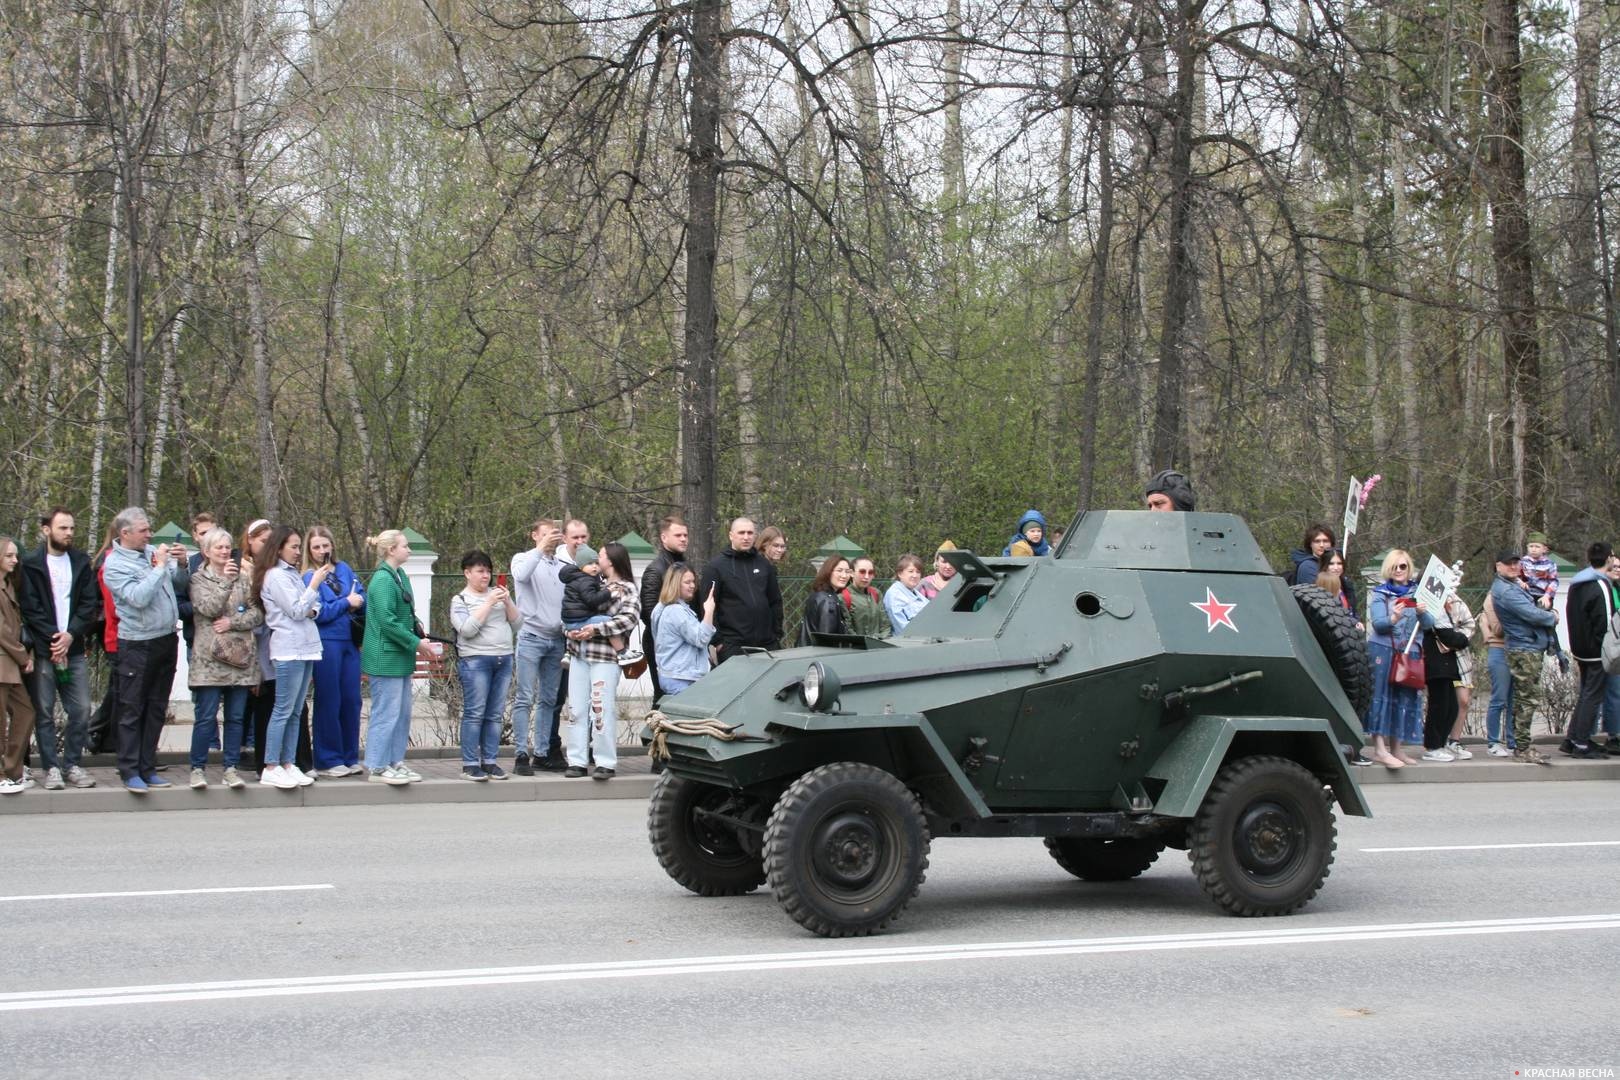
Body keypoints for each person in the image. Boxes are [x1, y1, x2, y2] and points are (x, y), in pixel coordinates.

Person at [101, 507, 190, 794]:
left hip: (166, 639)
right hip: (137, 645)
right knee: (132, 709)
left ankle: (147, 766)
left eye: (149, 529)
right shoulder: (114, 565)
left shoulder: (152, 552)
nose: (149, 534)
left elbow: (177, 585)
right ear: (125, 533)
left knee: (156, 708)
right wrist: (159, 567)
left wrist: (182, 565)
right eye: (143, 530)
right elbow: (138, 598)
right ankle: (129, 770)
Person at [17, 507, 100, 789]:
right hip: (44, 651)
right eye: (63, 528)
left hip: (73, 649)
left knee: (81, 709)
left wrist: (70, 635)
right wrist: (54, 638)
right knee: (44, 710)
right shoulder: (31, 564)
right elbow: (30, 606)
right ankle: (51, 767)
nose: (69, 533)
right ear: (46, 530)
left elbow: (89, 604)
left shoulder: (80, 562)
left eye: (72, 528)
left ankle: (73, 764)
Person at [252, 526, 327, 789]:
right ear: (279, 547)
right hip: (288, 648)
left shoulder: (293, 574)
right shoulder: (275, 576)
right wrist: (314, 585)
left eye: (298, 546)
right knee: (282, 710)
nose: (298, 552)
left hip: (307, 646)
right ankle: (271, 765)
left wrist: (309, 602)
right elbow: (297, 610)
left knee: (296, 711)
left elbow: (314, 608)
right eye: (294, 546)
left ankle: (288, 762)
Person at [186, 527, 261, 789]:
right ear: (206, 552)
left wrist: (233, 622)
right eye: (219, 547)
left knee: (236, 717)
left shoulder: (244, 579)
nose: (225, 551)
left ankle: (230, 767)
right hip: (209, 661)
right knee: (206, 717)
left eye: (228, 547)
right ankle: (198, 768)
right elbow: (208, 608)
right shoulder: (198, 580)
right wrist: (226, 583)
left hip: (239, 660)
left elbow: (257, 613)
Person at [362, 530, 435, 785]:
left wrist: (417, 630)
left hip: (400, 656)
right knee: (386, 713)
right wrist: (416, 643)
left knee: (401, 713)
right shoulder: (382, 581)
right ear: (391, 549)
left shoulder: (400, 576)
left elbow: (405, 613)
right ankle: (377, 765)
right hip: (386, 657)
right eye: (405, 546)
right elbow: (387, 621)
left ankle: (394, 761)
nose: (409, 550)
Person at [562, 542, 639, 779]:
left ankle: (605, 761)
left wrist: (596, 629)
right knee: (575, 709)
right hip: (579, 654)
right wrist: (570, 632)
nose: (597, 559)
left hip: (604, 658)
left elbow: (629, 619)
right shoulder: (591, 583)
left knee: (601, 709)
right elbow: (569, 613)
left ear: (612, 560)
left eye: (601, 556)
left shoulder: (626, 589)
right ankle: (577, 760)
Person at [1361, 549, 1433, 769]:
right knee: (1381, 696)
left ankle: (1397, 748)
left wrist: (1422, 612)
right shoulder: (1381, 593)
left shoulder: (1417, 592)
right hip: (1384, 650)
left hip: (1409, 652)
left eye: (1403, 566)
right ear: (1388, 569)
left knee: (1403, 697)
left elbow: (1429, 625)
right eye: (1395, 566)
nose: (1399, 570)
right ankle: (1380, 749)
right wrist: (1394, 617)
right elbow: (1379, 624)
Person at [451, 549, 519, 781]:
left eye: (488, 571)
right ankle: (470, 764)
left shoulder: (498, 595)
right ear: (467, 573)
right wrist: (489, 603)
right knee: (475, 713)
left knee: (495, 714)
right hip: (475, 660)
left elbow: (518, 623)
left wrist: (507, 600)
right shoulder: (460, 600)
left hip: (504, 658)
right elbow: (467, 630)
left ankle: (490, 761)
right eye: (480, 571)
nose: (485, 576)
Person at [304, 526, 365, 777]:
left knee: (352, 699)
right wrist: (345, 603)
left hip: (350, 640)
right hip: (326, 641)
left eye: (325, 545)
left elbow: (361, 597)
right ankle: (328, 758)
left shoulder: (344, 569)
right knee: (330, 699)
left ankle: (349, 755)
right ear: (310, 550)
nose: (322, 551)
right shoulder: (310, 577)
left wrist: (353, 603)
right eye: (316, 547)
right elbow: (320, 613)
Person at [1490, 547, 1558, 765]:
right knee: (1526, 698)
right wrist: (1552, 616)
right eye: (1508, 563)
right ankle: (1522, 747)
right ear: (1497, 566)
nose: (1513, 566)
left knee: (1522, 698)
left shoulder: (1511, 585)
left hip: (1526, 645)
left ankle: (1521, 744)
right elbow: (1531, 614)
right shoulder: (1506, 590)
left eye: (1516, 563)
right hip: (1524, 648)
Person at [509, 518, 566, 774]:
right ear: (534, 535)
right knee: (525, 697)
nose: (551, 539)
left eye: (554, 534)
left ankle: (542, 753)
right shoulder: (522, 558)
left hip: (556, 639)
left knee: (549, 699)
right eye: (545, 535)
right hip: (531, 637)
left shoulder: (562, 565)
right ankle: (521, 753)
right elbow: (522, 576)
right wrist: (541, 547)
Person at [699, 517, 783, 662]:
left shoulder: (764, 565)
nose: (746, 537)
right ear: (731, 535)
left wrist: (776, 634)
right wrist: (718, 642)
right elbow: (707, 606)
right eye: (741, 533)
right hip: (733, 647)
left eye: (750, 533)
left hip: (767, 646)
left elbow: (775, 601)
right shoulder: (716, 567)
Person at [1563, 541, 1614, 759]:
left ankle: (1573, 738)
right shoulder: (1600, 585)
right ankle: (1581, 743)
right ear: (1609, 558)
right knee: (1593, 696)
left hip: (1580, 648)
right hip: (1596, 650)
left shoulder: (1578, 583)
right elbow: (1605, 620)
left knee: (1585, 694)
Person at [0, 536, 39, 796]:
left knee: (25, 712)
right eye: (9, 555)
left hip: (9, 663)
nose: (15, 560)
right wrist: (24, 657)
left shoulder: (7, 584)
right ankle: (3, 775)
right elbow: (1, 631)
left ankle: (12, 771)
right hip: (5, 661)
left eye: (15, 555)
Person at [1419, 595, 1475, 763]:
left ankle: (1441, 743)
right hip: (1436, 662)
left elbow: (1466, 625)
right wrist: (1461, 640)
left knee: (1450, 706)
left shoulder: (1450, 602)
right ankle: (1432, 746)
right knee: (1439, 705)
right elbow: (1445, 633)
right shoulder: (1429, 603)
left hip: (1447, 663)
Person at [639, 515, 689, 700]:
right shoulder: (655, 569)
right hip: (661, 644)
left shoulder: (685, 566)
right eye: (678, 535)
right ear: (664, 537)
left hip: (686, 643)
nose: (683, 539)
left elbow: (696, 607)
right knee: (663, 698)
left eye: (685, 535)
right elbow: (648, 612)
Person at [651, 564, 715, 695]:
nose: (692, 586)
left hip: (671, 675)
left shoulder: (661, 608)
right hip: (681, 678)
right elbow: (701, 638)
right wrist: (709, 611)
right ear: (675, 584)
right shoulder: (676, 611)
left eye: (693, 581)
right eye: (687, 582)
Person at [1478, 589, 1516, 756]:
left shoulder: (1521, 591)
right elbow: (1498, 628)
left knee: (1514, 700)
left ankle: (1512, 741)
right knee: (1499, 698)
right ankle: (1493, 743)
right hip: (1499, 649)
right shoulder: (1494, 596)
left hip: (1518, 650)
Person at [559, 559, 624, 649]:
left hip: (569, 622)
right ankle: (621, 651)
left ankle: (568, 654)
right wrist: (608, 591)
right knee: (609, 621)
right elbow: (592, 599)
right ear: (581, 567)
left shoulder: (574, 580)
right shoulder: (586, 581)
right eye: (589, 563)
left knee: (582, 636)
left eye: (597, 563)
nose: (594, 566)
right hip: (579, 620)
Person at [799, 557, 852, 644]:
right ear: (828, 572)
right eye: (839, 570)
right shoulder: (828, 601)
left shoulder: (819, 594)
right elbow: (827, 639)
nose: (844, 575)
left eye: (847, 571)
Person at [844, 557, 889, 637]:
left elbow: (885, 625)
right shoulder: (843, 597)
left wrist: (880, 639)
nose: (866, 576)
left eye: (870, 572)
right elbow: (848, 630)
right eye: (862, 572)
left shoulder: (876, 594)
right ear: (851, 573)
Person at [884, 554, 928, 635]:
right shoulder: (894, 595)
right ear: (900, 573)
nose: (915, 575)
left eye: (918, 572)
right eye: (910, 571)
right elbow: (902, 629)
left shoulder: (917, 594)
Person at [1318, 551, 1361, 630]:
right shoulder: (1321, 586)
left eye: (1339, 563)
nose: (1336, 568)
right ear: (1325, 565)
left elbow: (1353, 610)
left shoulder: (1346, 584)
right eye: (1331, 564)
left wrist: (1357, 622)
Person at [1519, 533, 1558, 610]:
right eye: (1531, 546)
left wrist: (1547, 596)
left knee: (1542, 610)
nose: (1534, 549)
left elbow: (1554, 582)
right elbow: (1516, 576)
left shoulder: (1550, 564)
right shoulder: (1522, 562)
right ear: (1527, 547)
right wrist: (1520, 582)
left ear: (1544, 549)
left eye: (1537, 547)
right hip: (1526, 594)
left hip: (1542, 595)